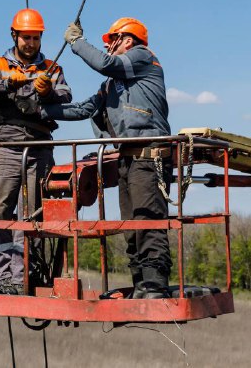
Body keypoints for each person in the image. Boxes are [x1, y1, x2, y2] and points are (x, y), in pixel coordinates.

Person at [41, 17, 172, 298]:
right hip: (127, 159)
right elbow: (83, 109)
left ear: (128, 40)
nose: (107, 46)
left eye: (111, 40)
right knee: (130, 226)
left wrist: (76, 42)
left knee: (148, 222)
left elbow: (105, 63)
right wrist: (39, 110)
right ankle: (141, 284)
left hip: (150, 156)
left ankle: (155, 286)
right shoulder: (112, 85)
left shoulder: (143, 57)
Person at [0, 8, 71, 295]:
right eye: (26, 37)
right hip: (4, 147)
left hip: (38, 148)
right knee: (2, 211)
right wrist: (7, 84)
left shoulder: (51, 68)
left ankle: (25, 275)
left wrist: (47, 91)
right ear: (14, 36)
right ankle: (4, 277)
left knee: (33, 214)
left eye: (35, 38)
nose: (31, 43)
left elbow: (66, 96)